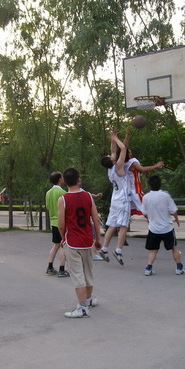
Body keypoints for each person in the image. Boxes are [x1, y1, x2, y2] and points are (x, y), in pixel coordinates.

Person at [58, 167, 102, 318]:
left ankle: (82, 307)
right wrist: (98, 239)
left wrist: (63, 238)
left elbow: (61, 224)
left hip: (72, 241)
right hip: (87, 240)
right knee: (88, 271)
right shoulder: (88, 196)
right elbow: (95, 219)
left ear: (65, 181)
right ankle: (88, 299)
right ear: (78, 180)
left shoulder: (63, 199)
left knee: (77, 274)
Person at [141, 175, 185, 276]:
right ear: (160, 184)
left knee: (153, 250)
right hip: (167, 228)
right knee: (174, 247)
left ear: (149, 185)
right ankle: (179, 268)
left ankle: (148, 268)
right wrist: (177, 219)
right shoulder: (165, 196)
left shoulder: (146, 197)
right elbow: (173, 210)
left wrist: (150, 219)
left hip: (153, 229)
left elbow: (144, 213)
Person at [98, 130, 130, 265]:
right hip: (123, 200)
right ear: (111, 160)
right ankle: (118, 250)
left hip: (115, 199)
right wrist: (116, 139)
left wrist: (112, 138)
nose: (111, 155)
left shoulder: (110, 169)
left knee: (112, 225)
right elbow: (123, 149)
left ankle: (104, 249)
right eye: (110, 156)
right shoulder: (118, 166)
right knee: (123, 225)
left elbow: (113, 151)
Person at [122, 127, 164, 215]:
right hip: (136, 190)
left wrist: (127, 134)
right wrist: (156, 166)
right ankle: (154, 224)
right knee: (148, 211)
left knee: (127, 213)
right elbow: (143, 169)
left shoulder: (122, 162)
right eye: (129, 151)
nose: (130, 151)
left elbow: (124, 148)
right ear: (128, 154)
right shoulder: (132, 162)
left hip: (127, 191)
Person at [45, 171, 69, 277]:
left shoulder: (48, 192)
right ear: (59, 179)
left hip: (53, 221)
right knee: (63, 246)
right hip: (62, 222)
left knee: (56, 245)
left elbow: (48, 206)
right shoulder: (63, 192)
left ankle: (50, 266)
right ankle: (62, 269)